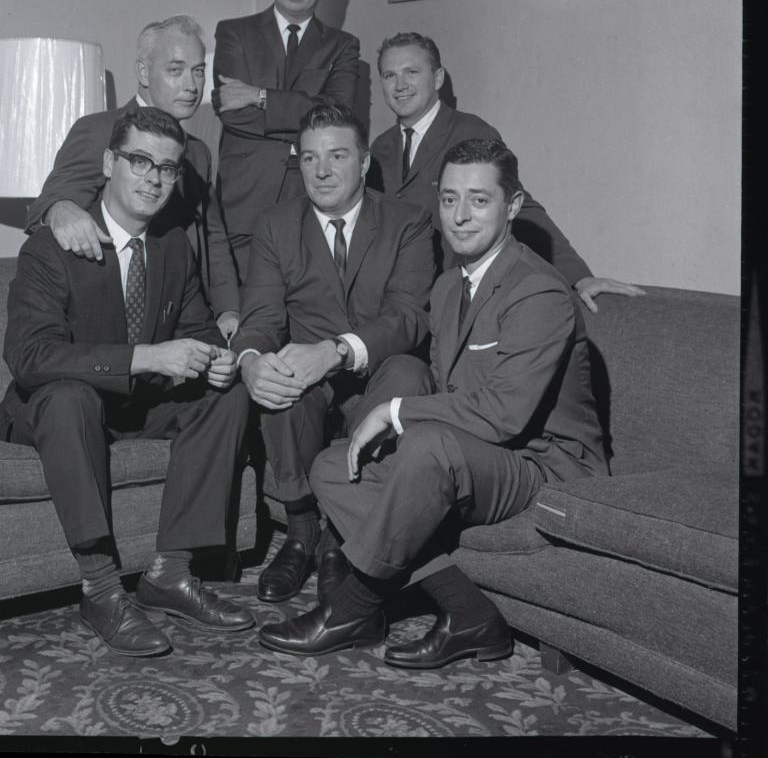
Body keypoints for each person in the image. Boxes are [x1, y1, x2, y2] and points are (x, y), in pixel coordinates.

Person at [259, 138, 608, 663]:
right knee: (333, 466)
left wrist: (395, 411)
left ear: (512, 206)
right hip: (477, 453)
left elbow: (503, 414)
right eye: (449, 200)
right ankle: (469, 613)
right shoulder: (448, 287)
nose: (461, 217)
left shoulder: (539, 291)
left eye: (479, 200)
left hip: (546, 463)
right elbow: (449, 391)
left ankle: (352, 607)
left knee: (425, 447)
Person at [0, 106, 254, 657]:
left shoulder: (173, 244)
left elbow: (199, 329)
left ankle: (170, 574)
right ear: (109, 163)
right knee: (68, 395)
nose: (154, 178)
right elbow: (30, 356)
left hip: (133, 410)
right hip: (55, 412)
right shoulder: (50, 246)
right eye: (139, 161)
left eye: (168, 168)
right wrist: (146, 356)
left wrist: (216, 359)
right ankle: (101, 588)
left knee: (226, 395)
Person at [230, 103, 434, 605]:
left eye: (337, 156)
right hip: (313, 384)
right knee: (279, 374)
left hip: (379, 372)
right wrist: (251, 361)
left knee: (409, 372)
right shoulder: (277, 224)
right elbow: (259, 319)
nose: (321, 171)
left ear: (363, 162)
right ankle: (302, 529)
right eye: (309, 158)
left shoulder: (408, 222)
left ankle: (341, 538)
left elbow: (408, 318)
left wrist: (337, 351)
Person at [367, 32, 645, 311]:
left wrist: (580, 277)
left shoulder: (469, 131)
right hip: (398, 302)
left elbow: (520, 209)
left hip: (454, 300)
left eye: (411, 72)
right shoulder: (380, 148)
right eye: (389, 76)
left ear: (438, 78)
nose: (400, 84)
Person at [27, 15, 240, 341]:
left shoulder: (198, 154)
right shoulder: (99, 130)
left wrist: (228, 309)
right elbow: (50, 202)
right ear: (143, 72)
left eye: (198, 71)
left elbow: (213, 237)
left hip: (185, 316)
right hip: (119, 320)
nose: (192, 86)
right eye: (175, 70)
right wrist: (61, 209)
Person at [211, 0, 360, 278]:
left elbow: (338, 117)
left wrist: (259, 95)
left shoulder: (342, 45)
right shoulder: (234, 32)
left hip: (310, 196)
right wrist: (309, 117)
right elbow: (233, 114)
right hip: (244, 197)